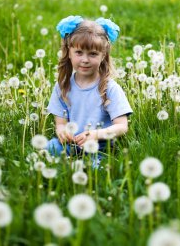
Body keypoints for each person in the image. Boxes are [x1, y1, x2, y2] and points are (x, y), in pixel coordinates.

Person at [46, 15, 132, 164]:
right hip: (71, 144)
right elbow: (60, 123)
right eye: (79, 53)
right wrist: (62, 132)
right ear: (69, 52)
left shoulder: (109, 88)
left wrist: (96, 134)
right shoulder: (63, 86)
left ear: (103, 55)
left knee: (93, 168)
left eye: (92, 54)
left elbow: (122, 126)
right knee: (50, 148)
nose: (85, 60)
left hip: (99, 145)